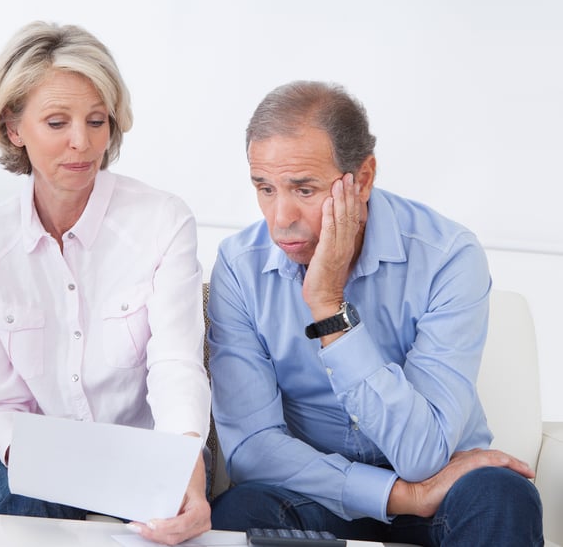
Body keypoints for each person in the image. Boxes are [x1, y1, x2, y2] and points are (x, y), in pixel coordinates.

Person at [206, 80, 543, 546]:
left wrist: (327, 305)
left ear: (362, 178)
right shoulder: (240, 266)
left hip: (443, 486)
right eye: (264, 188)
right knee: (241, 510)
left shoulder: (447, 255)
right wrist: (399, 495)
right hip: (317, 491)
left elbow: (423, 456)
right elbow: (253, 449)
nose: (280, 218)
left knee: (500, 495)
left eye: (303, 189)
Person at [0, 21, 211, 545]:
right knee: (25, 502)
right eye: (56, 121)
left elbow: (176, 363)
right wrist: (50, 461)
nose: (82, 143)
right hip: (22, 456)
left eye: (96, 121)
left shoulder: (162, 220)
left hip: (134, 452)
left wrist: (183, 464)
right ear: (13, 127)